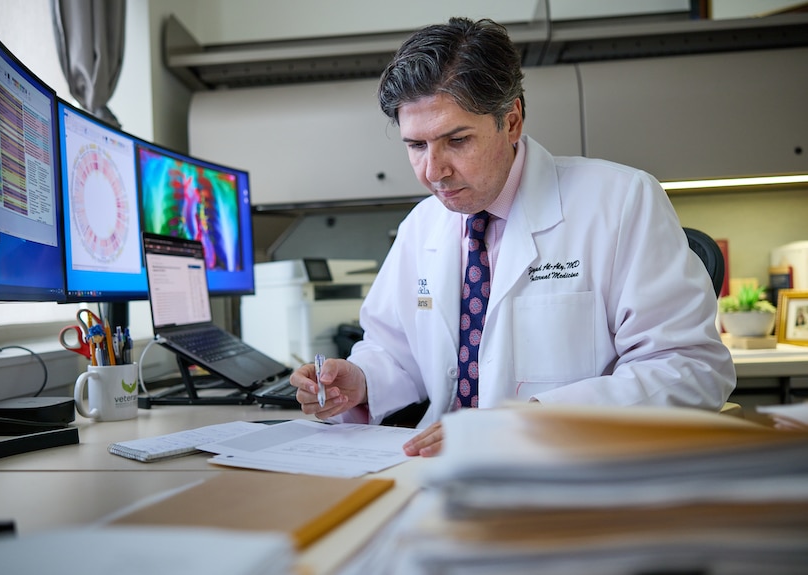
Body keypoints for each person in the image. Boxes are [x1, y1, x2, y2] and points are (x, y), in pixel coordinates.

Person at [289, 17, 736, 456]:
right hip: (434, 469)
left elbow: (692, 369)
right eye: (416, 145)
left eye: (457, 140)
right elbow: (396, 351)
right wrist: (361, 381)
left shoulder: (619, 201)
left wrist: (530, 421)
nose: (433, 171)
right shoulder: (422, 225)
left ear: (512, 121)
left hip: (568, 467)